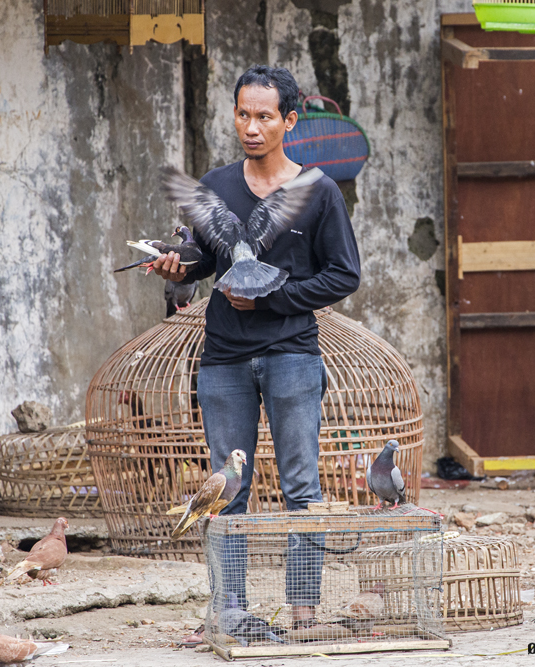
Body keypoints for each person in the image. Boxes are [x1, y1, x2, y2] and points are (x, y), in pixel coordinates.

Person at [150, 65, 361, 627]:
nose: (251, 126)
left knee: (300, 485)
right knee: (225, 489)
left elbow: (343, 276)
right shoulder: (215, 186)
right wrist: (177, 267)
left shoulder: (318, 191)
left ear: (289, 120)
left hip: (293, 353)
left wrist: (270, 298)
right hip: (222, 357)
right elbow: (202, 259)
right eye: (243, 113)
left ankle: (302, 609)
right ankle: (229, 609)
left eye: (264, 116)